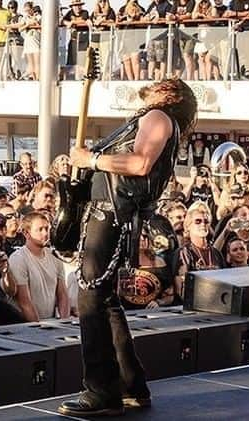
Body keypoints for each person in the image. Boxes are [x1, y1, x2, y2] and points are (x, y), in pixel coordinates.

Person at [63, 77, 197, 416]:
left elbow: (139, 164)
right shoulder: (160, 120)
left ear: (169, 95)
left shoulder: (157, 117)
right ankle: (130, 385)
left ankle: (100, 392)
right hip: (114, 214)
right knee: (105, 301)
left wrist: (91, 160)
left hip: (112, 215)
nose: (149, 88)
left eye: (157, 85)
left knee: (91, 299)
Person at [8, 212, 69, 321]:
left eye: (47, 228)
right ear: (27, 233)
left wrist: (65, 322)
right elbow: (24, 301)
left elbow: (63, 295)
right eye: (40, 229)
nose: (45, 233)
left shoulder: (55, 256)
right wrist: (38, 327)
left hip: (52, 321)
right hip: (26, 325)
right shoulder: (18, 259)